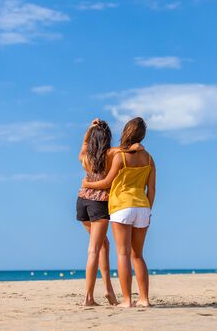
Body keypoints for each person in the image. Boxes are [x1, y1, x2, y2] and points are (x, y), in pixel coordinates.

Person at [82, 117, 156, 308]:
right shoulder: (149, 158)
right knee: (138, 255)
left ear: (126, 132)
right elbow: (152, 189)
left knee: (123, 254)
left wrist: (87, 184)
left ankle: (127, 300)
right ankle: (144, 299)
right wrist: (148, 210)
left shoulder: (121, 156)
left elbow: (107, 183)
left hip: (122, 206)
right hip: (143, 207)